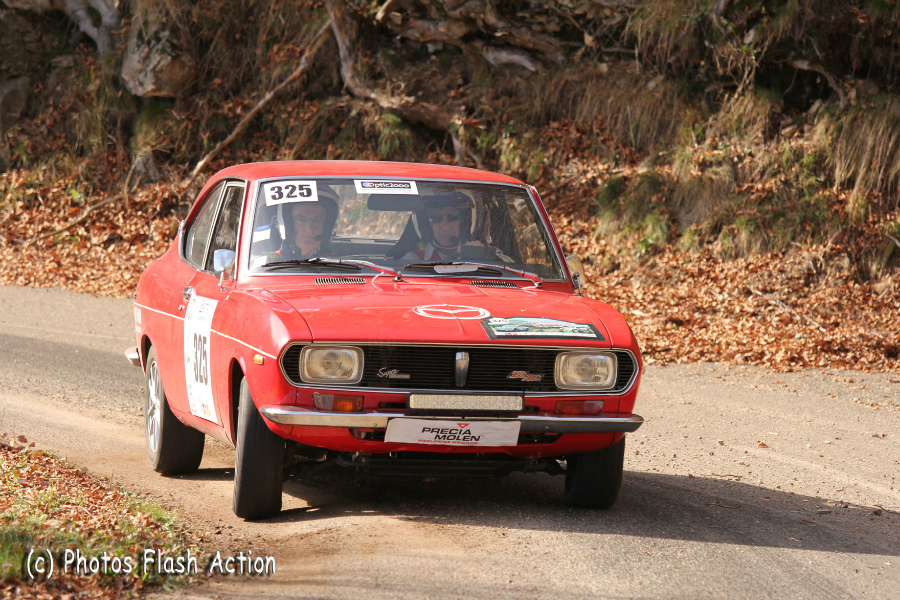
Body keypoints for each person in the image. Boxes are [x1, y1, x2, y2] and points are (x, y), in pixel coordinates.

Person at [400, 193, 511, 262]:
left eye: (453, 217)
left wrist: (487, 256)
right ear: (426, 225)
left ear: (465, 222)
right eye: (435, 218)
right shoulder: (414, 258)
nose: (445, 225)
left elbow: (513, 266)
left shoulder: (479, 249)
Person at [269, 197, 338, 260]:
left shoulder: (336, 263)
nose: (309, 228)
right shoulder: (268, 262)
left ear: (326, 227)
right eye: (301, 220)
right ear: (288, 224)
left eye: (317, 221)